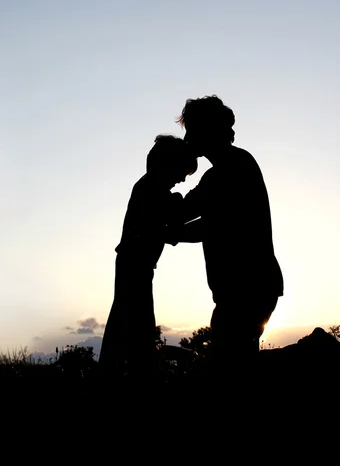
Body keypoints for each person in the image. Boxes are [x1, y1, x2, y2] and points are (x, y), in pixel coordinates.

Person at [168, 95, 284, 386]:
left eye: (191, 130)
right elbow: (184, 213)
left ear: (206, 130)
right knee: (233, 366)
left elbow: (206, 225)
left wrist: (166, 230)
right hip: (246, 289)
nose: (187, 137)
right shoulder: (223, 171)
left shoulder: (232, 168)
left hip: (247, 289)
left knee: (229, 371)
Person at [98, 134, 197, 386]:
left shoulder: (150, 189)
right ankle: (130, 378)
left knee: (128, 322)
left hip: (136, 265)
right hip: (135, 265)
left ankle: (121, 375)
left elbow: (172, 221)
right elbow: (175, 218)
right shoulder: (150, 190)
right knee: (134, 324)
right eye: (182, 172)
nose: (183, 179)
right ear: (165, 166)